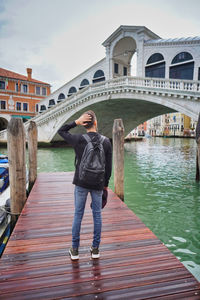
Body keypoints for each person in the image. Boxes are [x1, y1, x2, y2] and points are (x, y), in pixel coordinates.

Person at [58, 110, 112, 260]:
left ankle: (75, 250)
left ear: (84, 124)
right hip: (98, 184)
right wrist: (105, 185)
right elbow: (108, 168)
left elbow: (61, 131)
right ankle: (95, 249)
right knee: (97, 215)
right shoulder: (106, 141)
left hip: (81, 182)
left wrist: (75, 122)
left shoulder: (79, 139)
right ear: (95, 123)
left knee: (78, 215)